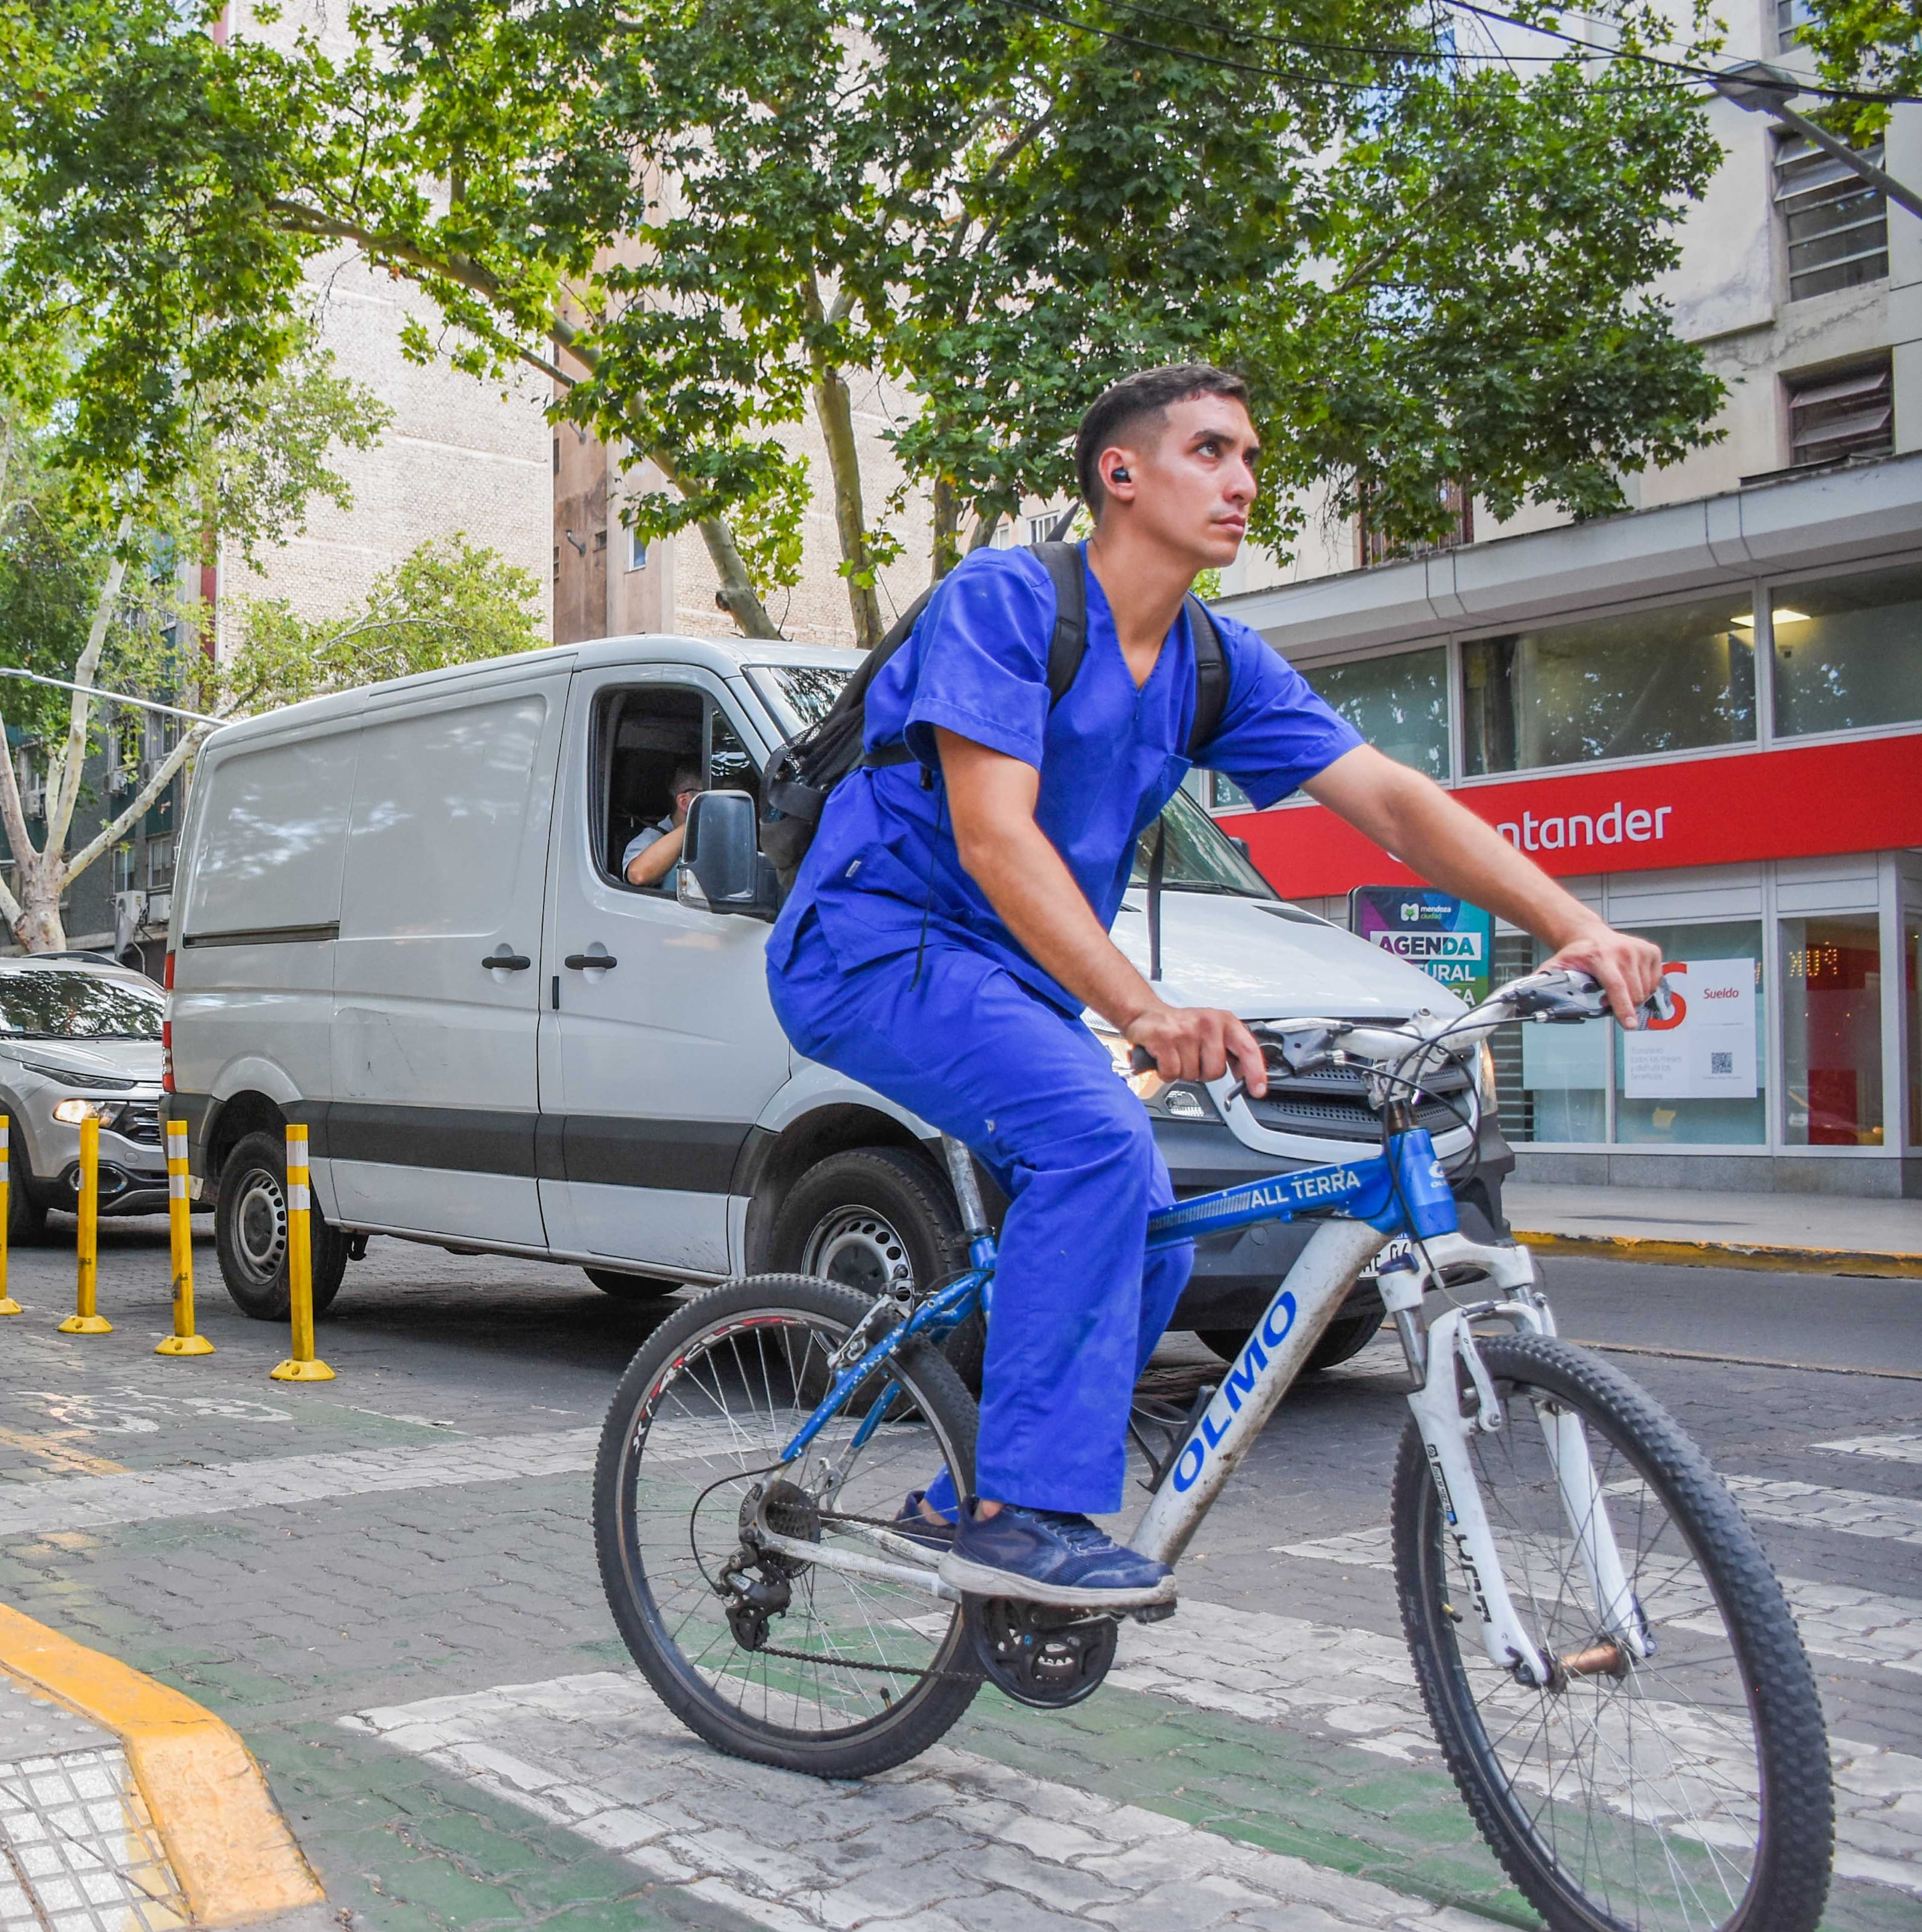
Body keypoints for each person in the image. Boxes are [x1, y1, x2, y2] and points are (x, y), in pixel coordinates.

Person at [765, 363, 1663, 1608]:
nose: (1241, 481)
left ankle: (963, 1498)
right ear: (1118, 474)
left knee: (1146, 1223)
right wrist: (1140, 1007)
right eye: (1209, 451)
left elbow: (1390, 803)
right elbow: (995, 836)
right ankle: (1019, 1511)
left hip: (1010, 977)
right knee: (1099, 1146)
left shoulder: (1211, 662)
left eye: (1249, 458)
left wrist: (1572, 922)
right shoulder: (1008, 602)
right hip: (872, 944)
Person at [623, 764, 702, 886]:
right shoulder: (652, 838)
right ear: (684, 802)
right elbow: (638, 875)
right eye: (707, 797)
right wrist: (695, 822)